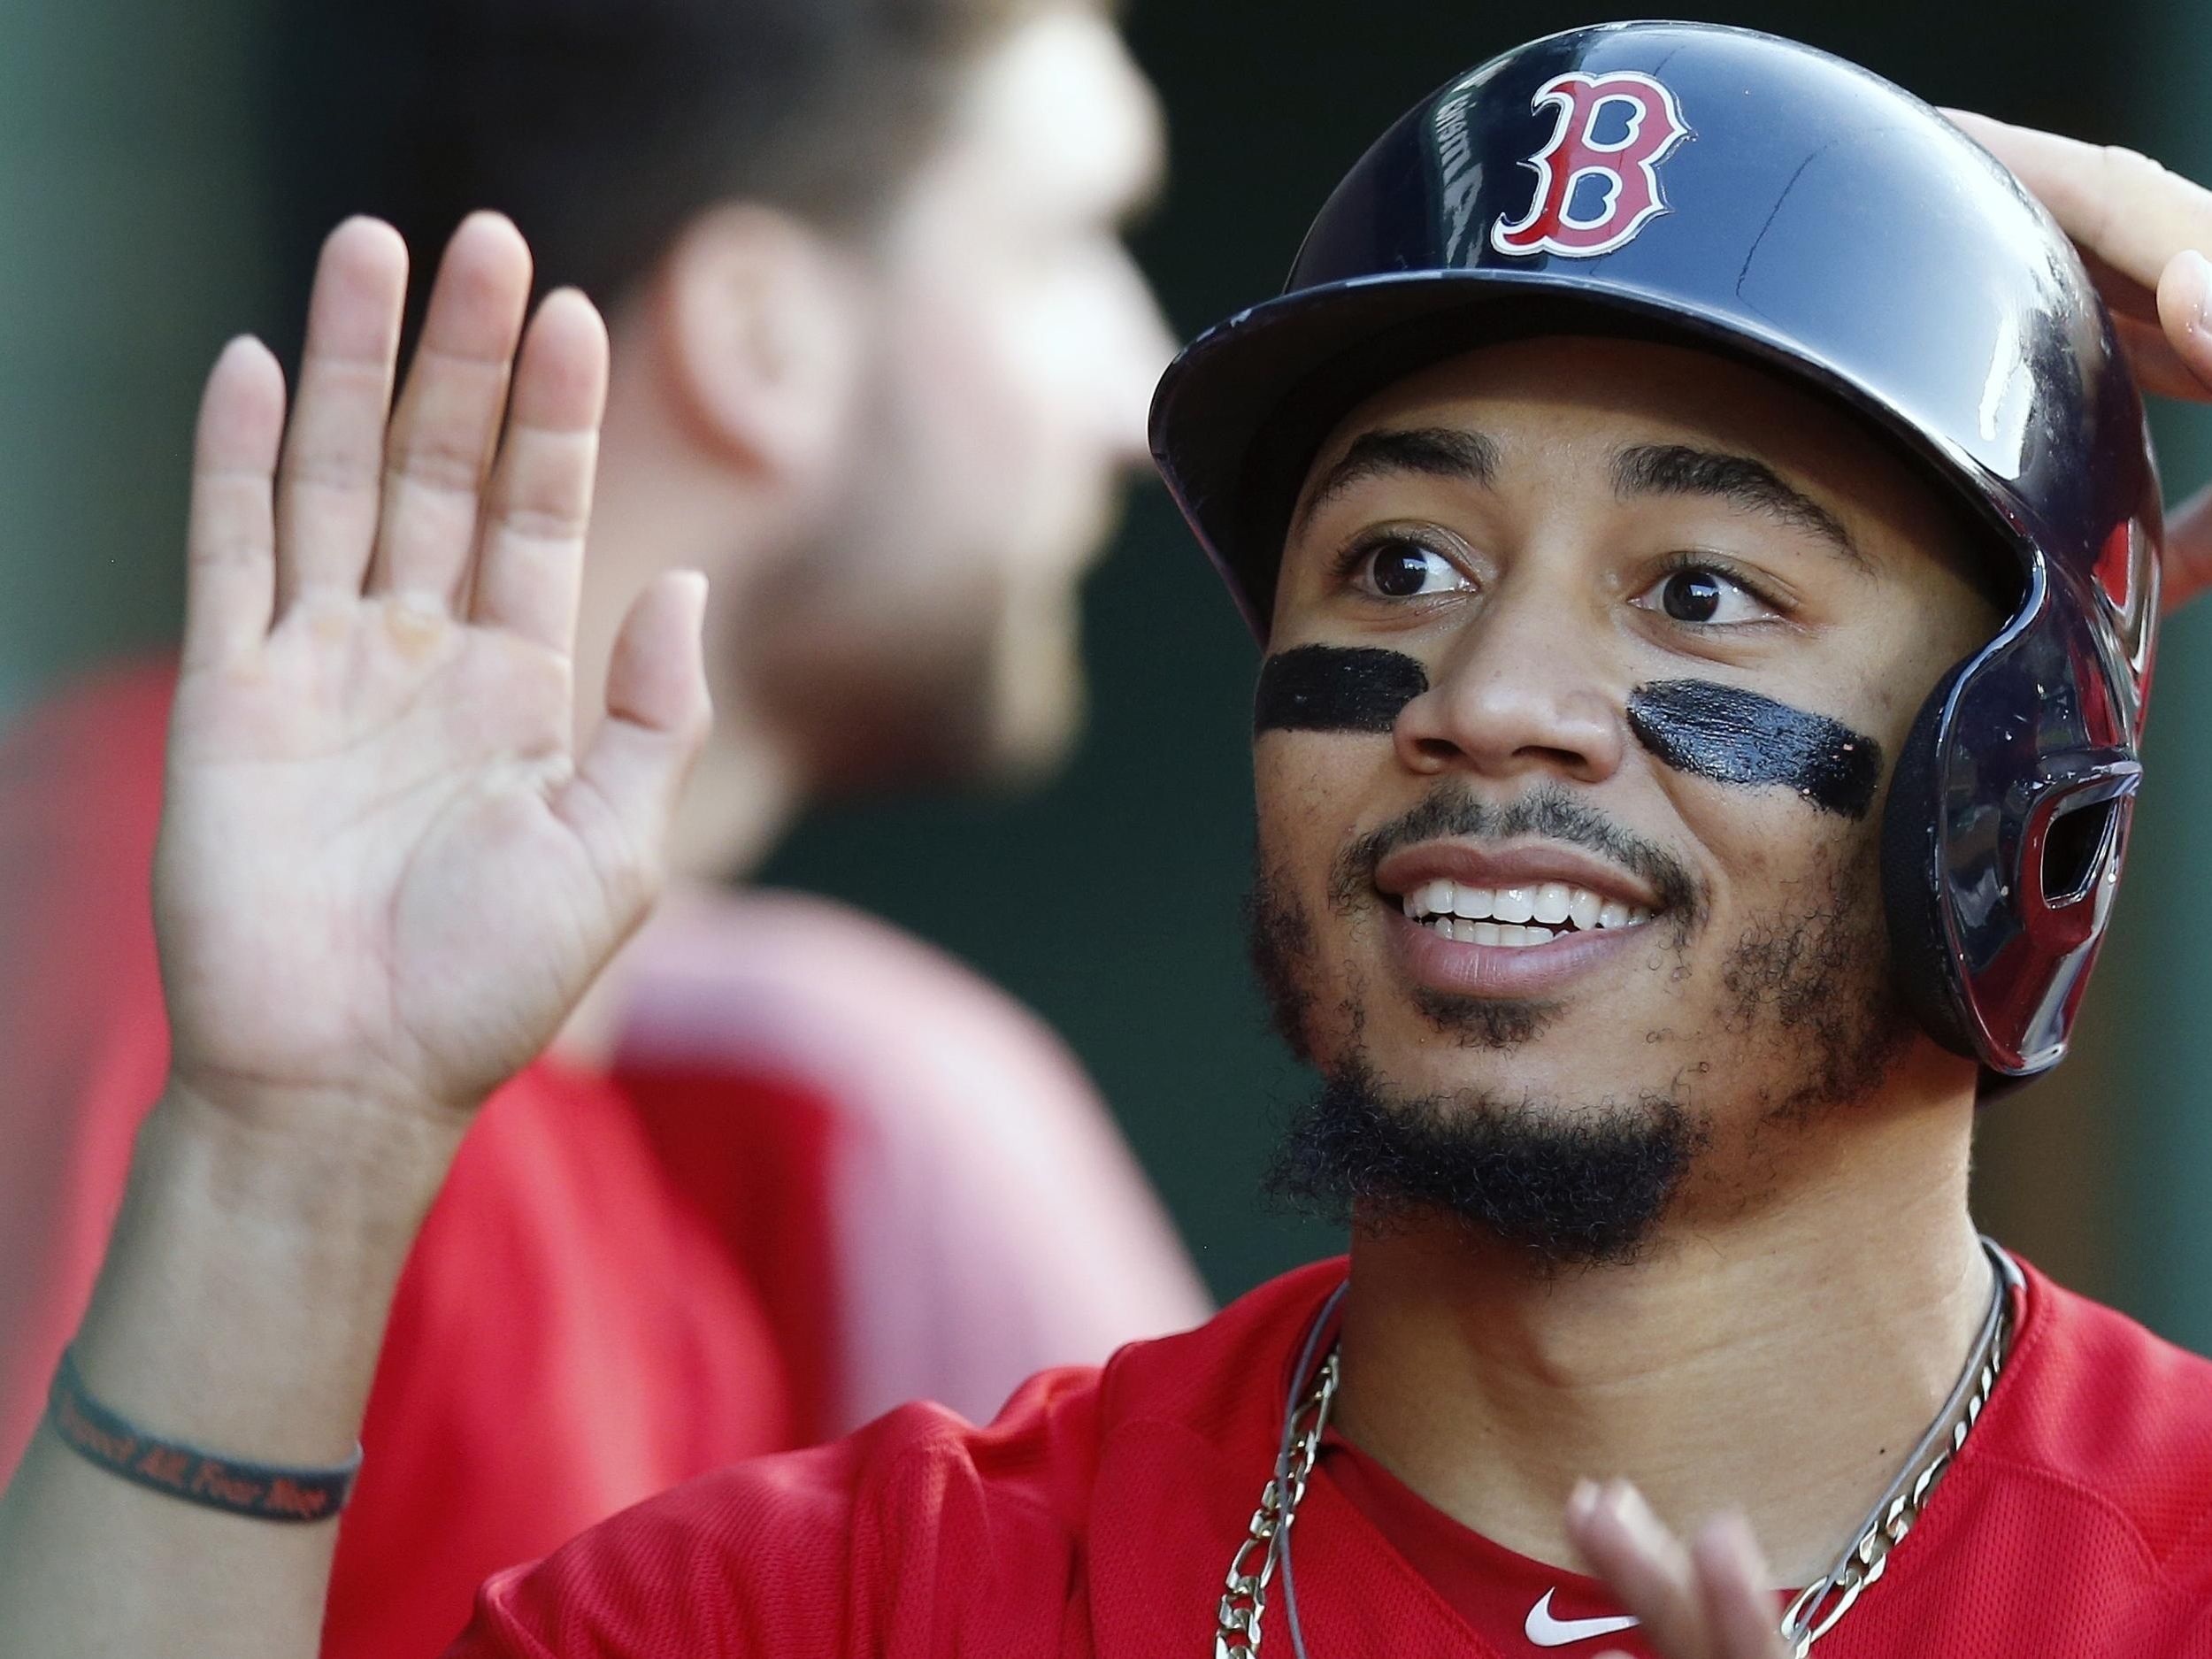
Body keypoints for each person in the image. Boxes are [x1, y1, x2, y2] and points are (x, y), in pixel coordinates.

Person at [12, 20, 2212, 1659]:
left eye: (1698, 591)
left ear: (2013, 773)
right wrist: (285, 1147)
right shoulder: (851, 1601)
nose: (1485, 694)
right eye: (1398, 565)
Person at [0, 1, 1206, 1655]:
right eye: (1068, 245)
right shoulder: (135, 924)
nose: (1137, 399)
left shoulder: (629, 1182)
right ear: (760, 336)